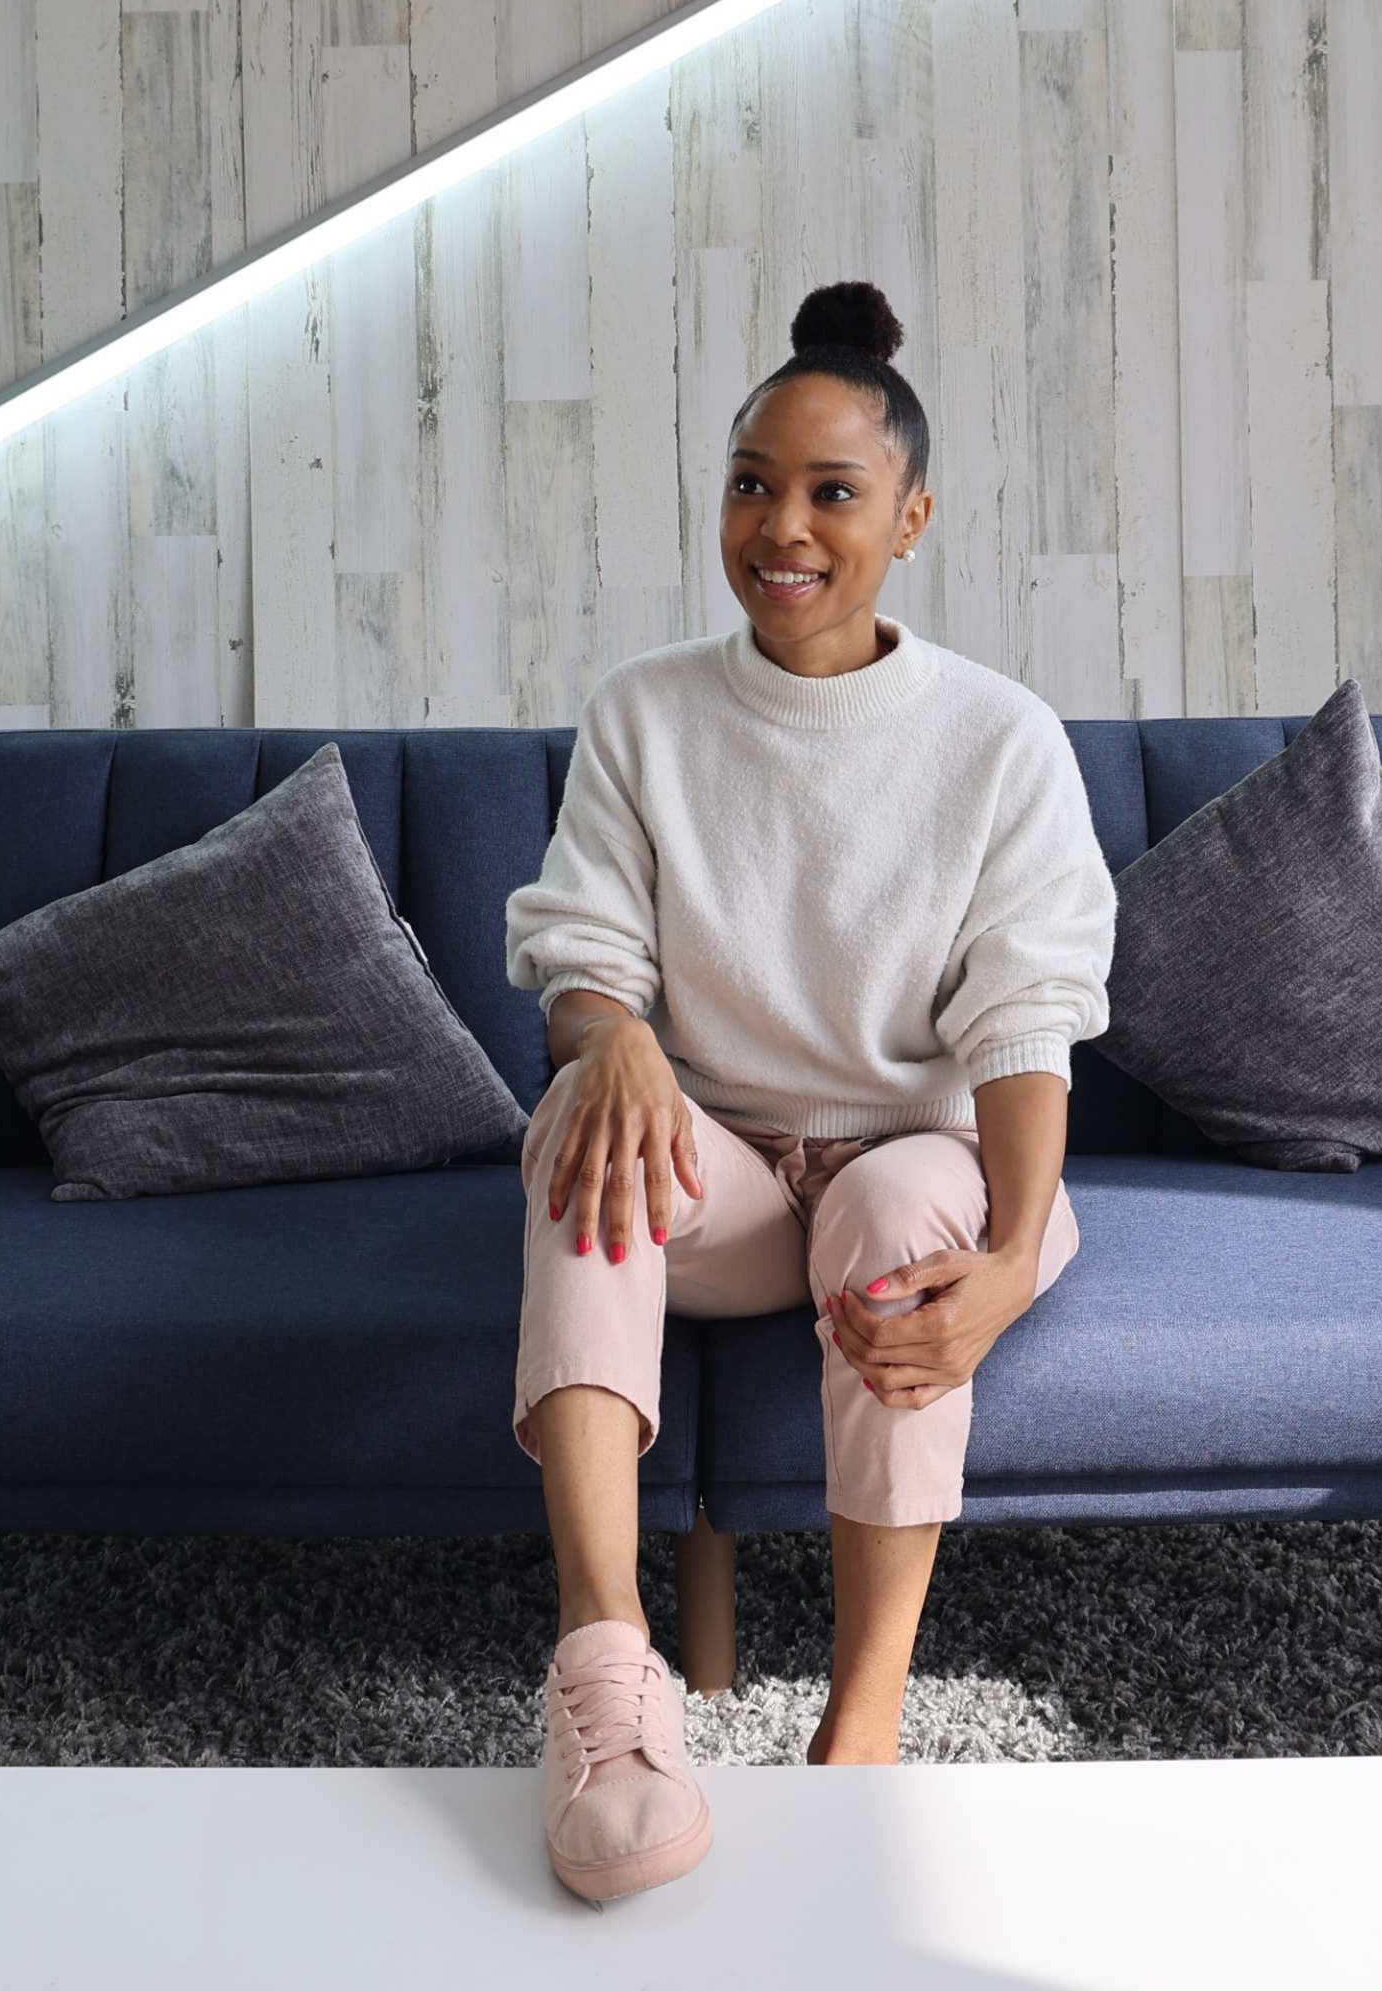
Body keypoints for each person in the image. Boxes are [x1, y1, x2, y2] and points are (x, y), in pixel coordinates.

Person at [502, 280, 1117, 1904]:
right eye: (752, 482)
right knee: (586, 1128)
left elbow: (1027, 1016)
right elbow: (581, 944)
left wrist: (1005, 1264)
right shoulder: (646, 711)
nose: (783, 525)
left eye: (832, 492)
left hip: (906, 1162)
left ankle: (864, 1725)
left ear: (909, 517)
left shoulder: (997, 738)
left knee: (914, 1210)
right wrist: (609, 1033)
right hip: (723, 1181)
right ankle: (610, 1674)